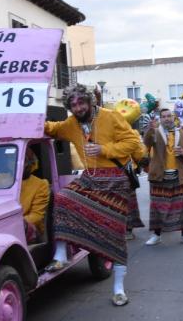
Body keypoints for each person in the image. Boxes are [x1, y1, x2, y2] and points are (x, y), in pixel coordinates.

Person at [44, 85, 140, 306]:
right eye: (74, 105)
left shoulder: (110, 116)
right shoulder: (71, 124)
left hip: (115, 180)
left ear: (90, 101)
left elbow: (133, 142)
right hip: (90, 178)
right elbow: (52, 128)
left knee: (114, 232)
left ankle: (118, 288)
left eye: (81, 103)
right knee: (63, 198)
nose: (78, 108)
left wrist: (103, 150)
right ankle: (60, 254)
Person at [143, 108, 183, 246]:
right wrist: (149, 129)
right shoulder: (155, 132)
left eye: (169, 116)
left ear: (173, 118)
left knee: (182, 207)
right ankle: (156, 235)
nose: (167, 118)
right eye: (164, 116)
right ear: (160, 119)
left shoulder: (182, 135)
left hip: (178, 177)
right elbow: (146, 144)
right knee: (158, 208)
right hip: (159, 176)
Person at [20, 148, 50, 244]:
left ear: (30, 163)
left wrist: (14, 225)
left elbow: (37, 216)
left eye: (23, 161)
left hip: (29, 232)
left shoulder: (41, 184)